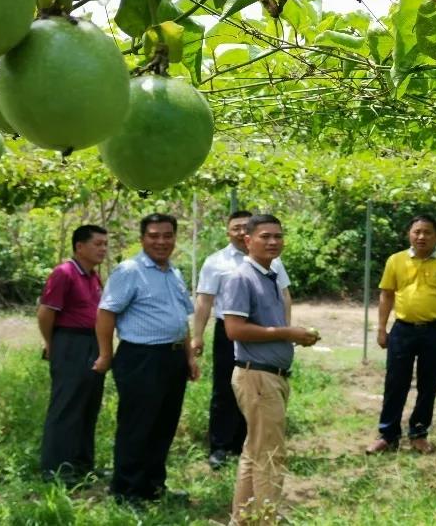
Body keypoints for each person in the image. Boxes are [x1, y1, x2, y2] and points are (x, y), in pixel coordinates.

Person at [92, 213, 200, 505]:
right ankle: (127, 491)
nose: (161, 241)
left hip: (173, 357)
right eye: (154, 236)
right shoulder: (130, 271)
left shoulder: (173, 272)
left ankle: (153, 486)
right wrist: (105, 353)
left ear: (175, 238)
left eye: (167, 235)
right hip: (141, 358)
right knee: (137, 426)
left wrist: (189, 356)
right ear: (142, 239)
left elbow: (182, 319)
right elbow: (106, 313)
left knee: (164, 425)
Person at [221, 214, 318, 524]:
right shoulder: (241, 277)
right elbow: (234, 330)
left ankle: (245, 518)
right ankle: (266, 519)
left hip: (269, 376)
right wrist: (287, 333)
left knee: (255, 452)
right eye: (265, 236)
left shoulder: (270, 274)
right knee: (270, 456)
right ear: (247, 240)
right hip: (257, 377)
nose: (273, 241)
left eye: (278, 236)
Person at [192, 210, 293, 470]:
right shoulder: (217, 262)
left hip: (265, 329)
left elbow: (284, 296)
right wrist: (197, 335)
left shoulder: (273, 262)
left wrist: (286, 330)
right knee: (226, 388)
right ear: (232, 233)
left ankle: (244, 443)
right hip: (230, 329)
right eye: (235, 228)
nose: (239, 232)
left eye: (244, 227)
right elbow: (204, 301)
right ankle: (220, 446)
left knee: (256, 389)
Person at [366, 214, 436, 455]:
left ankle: (419, 434)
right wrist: (381, 328)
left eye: (427, 232)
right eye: (416, 232)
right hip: (402, 330)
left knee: (428, 384)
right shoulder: (396, 260)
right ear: (409, 235)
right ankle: (388, 435)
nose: (421, 236)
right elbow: (386, 294)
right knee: (395, 383)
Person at [38, 224, 108, 483]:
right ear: (80, 246)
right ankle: (55, 469)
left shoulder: (93, 276)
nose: (103, 249)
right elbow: (46, 312)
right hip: (70, 342)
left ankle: (82, 464)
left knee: (88, 404)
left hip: (92, 342)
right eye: (97, 244)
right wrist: (51, 343)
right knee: (66, 405)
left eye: (105, 244)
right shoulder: (64, 273)